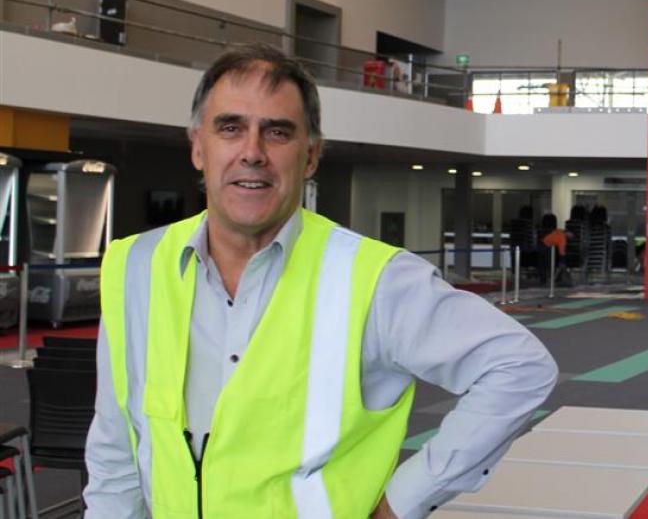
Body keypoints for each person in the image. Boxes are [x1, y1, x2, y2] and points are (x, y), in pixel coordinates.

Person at [84, 43, 558, 519]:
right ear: (197, 147)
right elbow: (117, 448)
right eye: (230, 128)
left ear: (311, 157)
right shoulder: (136, 266)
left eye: (277, 132)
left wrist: (404, 501)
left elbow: (518, 367)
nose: (252, 152)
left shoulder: (373, 278)